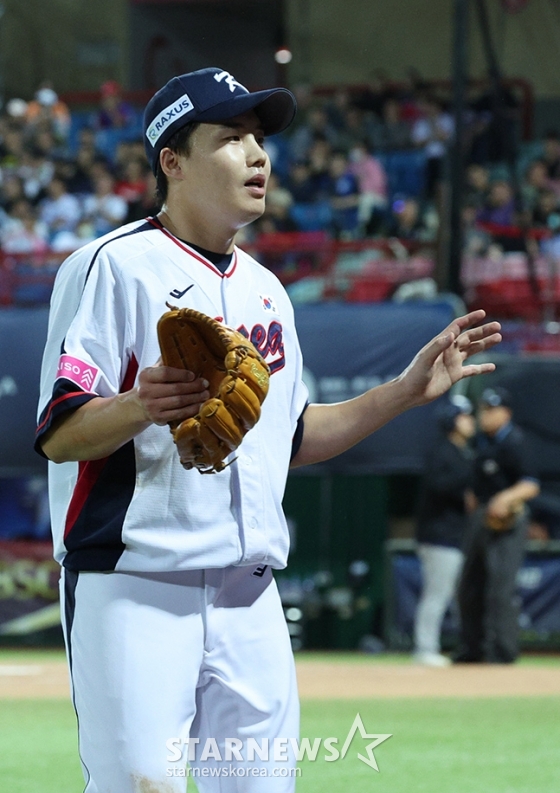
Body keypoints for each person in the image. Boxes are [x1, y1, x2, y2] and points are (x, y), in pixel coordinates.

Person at [35, 66, 501, 791]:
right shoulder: (111, 267)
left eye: (260, 139)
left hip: (250, 596)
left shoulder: (267, 291)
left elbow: (295, 436)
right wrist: (139, 404)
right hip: (136, 584)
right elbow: (61, 433)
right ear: (173, 160)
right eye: (232, 137)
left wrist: (404, 392)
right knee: (138, 786)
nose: (259, 155)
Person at [455, 387, 540, 664]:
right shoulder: (480, 442)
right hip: (480, 516)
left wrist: (506, 497)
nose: (485, 415)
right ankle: (472, 648)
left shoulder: (515, 441)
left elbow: (531, 484)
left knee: (500, 588)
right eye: (483, 410)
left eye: (492, 410)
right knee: (468, 586)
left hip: (507, 520)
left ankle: (501, 652)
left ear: (507, 413)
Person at [413, 395, 476, 667]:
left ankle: (459, 646)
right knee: (437, 594)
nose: (470, 421)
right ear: (452, 420)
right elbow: (439, 487)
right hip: (439, 535)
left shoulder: (463, 452)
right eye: (464, 416)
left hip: (453, 535)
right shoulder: (443, 451)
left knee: (451, 594)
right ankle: (424, 648)